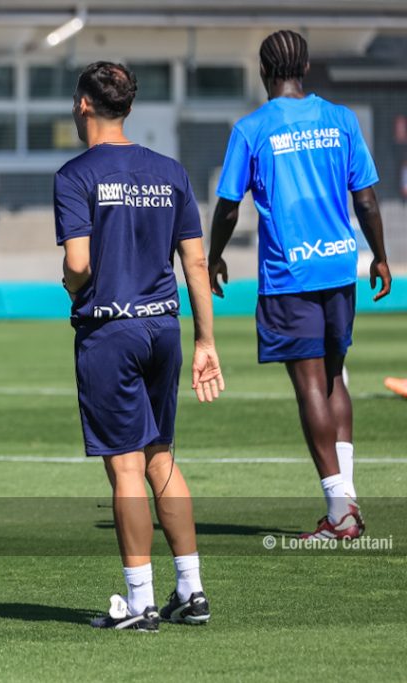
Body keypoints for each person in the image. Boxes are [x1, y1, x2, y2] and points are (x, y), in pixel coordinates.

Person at [54, 62, 224, 631]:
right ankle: (192, 591)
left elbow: (78, 264)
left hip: (110, 332)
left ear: (83, 104)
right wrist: (206, 339)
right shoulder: (170, 171)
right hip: (164, 330)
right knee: (161, 460)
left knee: (124, 468)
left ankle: (140, 601)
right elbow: (195, 262)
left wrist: (70, 283)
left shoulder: (76, 174)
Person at [209, 30, 392, 540]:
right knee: (335, 377)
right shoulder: (342, 119)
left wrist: (213, 256)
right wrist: (379, 256)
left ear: (263, 71)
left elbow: (227, 206)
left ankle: (339, 512)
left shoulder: (251, 129)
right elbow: (368, 200)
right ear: (305, 68)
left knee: (310, 385)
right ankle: (347, 503)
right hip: (339, 266)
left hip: (290, 273)